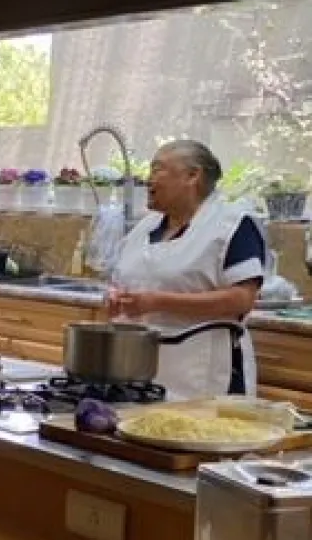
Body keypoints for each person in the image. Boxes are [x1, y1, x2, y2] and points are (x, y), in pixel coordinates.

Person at [107, 140, 265, 398]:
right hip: (139, 369)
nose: (148, 180)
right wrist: (117, 299)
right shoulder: (144, 228)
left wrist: (157, 302)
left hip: (203, 373)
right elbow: (122, 282)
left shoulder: (232, 225)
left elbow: (242, 300)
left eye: (158, 169)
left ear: (193, 176)